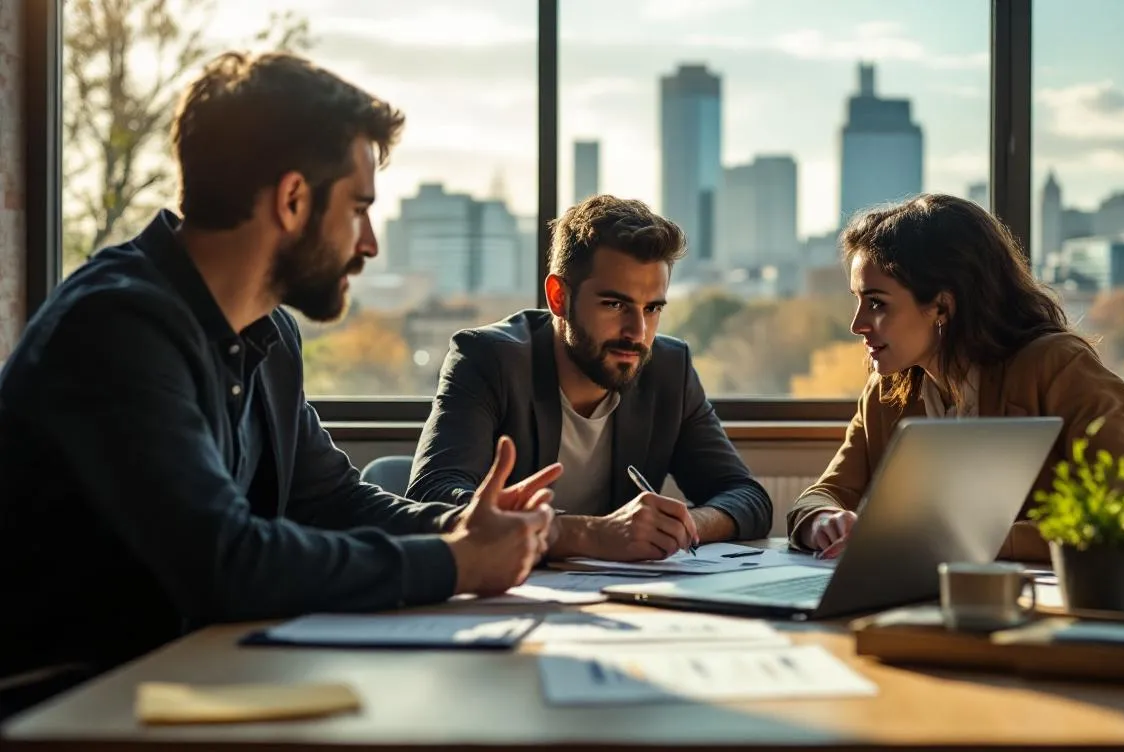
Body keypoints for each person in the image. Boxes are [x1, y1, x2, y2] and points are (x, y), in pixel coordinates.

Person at [0, 52, 560, 702]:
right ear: (293, 200)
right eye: (358, 208)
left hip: (185, 684)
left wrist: (464, 526)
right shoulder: (117, 324)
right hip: (60, 711)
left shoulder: (270, 332)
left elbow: (328, 501)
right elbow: (225, 563)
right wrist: (459, 563)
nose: (371, 242)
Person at [787, 193, 1124, 573]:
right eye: (858, 300)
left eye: (877, 303)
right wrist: (824, 520)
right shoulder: (888, 391)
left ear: (942, 307)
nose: (857, 324)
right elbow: (821, 496)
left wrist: (969, 539)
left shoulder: (1058, 367)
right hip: (985, 604)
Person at [407, 195, 771, 561]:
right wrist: (592, 534)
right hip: (506, 594)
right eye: (615, 305)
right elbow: (432, 496)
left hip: (618, 603)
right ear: (558, 297)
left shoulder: (669, 369)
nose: (637, 331)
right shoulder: (487, 359)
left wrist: (681, 527)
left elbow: (747, 498)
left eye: (652, 308)